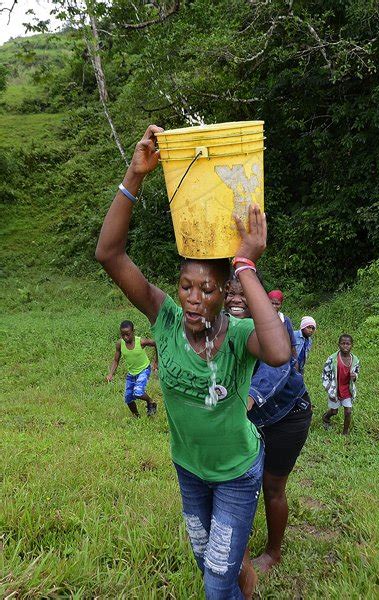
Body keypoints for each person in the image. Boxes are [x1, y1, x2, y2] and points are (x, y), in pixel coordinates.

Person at [95, 125, 291, 599]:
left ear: (226, 295)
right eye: (186, 286)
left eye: (208, 289)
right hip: (189, 470)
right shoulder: (161, 317)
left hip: (237, 474)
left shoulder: (240, 333)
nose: (194, 299)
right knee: (211, 559)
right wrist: (135, 177)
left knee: (215, 577)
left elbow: (281, 352)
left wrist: (245, 263)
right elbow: (109, 253)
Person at [225, 277, 312, 575]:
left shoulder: (275, 323)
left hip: (287, 415)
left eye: (243, 293)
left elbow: (276, 368)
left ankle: (274, 553)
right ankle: (238, 546)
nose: (236, 299)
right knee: (239, 482)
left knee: (272, 486)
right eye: (230, 293)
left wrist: (246, 400)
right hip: (248, 419)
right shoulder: (222, 326)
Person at [106, 320, 157, 417]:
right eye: (123, 335)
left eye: (128, 334)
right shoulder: (120, 344)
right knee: (128, 397)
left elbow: (156, 344)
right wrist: (111, 374)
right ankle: (136, 416)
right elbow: (116, 360)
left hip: (144, 370)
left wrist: (156, 362)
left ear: (133, 331)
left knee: (138, 392)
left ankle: (151, 402)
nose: (125, 337)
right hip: (132, 373)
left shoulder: (141, 342)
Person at [322, 334, 360, 435]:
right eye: (343, 343)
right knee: (334, 411)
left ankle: (345, 432)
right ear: (338, 345)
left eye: (348, 344)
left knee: (348, 411)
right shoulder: (332, 359)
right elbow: (325, 374)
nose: (345, 346)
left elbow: (357, 371)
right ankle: (326, 417)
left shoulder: (355, 360)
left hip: (347, 390)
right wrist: (328, 387)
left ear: (352, 345)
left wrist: (355, 376)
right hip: (335, 389)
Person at [267, 290, 297, 360]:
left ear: (281, 304)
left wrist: (295, 362)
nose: (274, 306)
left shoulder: (285, 321)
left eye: (277, 304)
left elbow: (292, 344)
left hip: (282, 360)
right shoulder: (259, 319)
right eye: (272, 303)